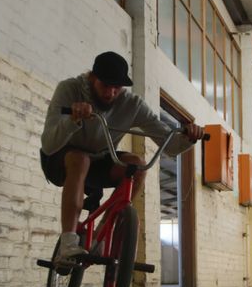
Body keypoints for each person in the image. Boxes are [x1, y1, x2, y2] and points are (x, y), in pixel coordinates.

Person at [40, 51, 205, 265]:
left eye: (117, 87)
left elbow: (170, 145)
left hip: (98, 162)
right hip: (58, 160)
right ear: (92, 78)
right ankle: (68, 243)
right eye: (105, 86)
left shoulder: (131, 104)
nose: (110, 93)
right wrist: (72, 119)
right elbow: (49, 144)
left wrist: (190, 136)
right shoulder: (69, 89)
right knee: (80, 159)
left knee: (138, 166)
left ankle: (101, 234)